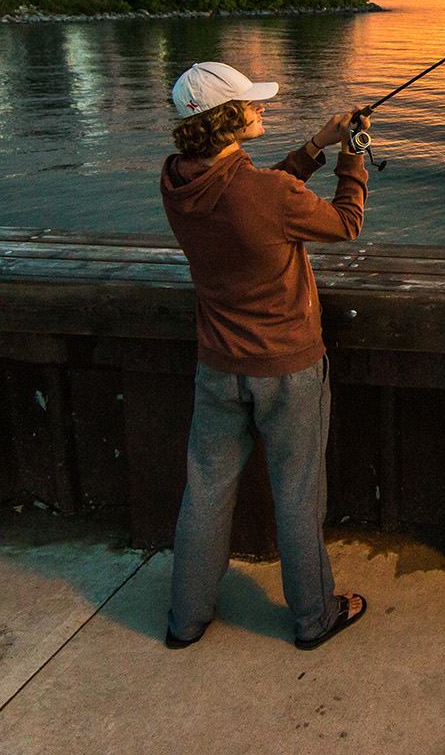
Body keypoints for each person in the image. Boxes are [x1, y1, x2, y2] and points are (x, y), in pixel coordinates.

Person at [158, 60, 370, 651]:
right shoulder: (268, 195)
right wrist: (352, 155)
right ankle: (312, 618)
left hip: (217, 368)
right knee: (298, 493)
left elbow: (251, 197)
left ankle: (186, 618)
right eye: (250, 104)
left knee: (205, 491)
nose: (260, 109)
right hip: (287, 369)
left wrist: (315, 145)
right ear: (226, 119)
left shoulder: (177, 182)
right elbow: (344, 222)